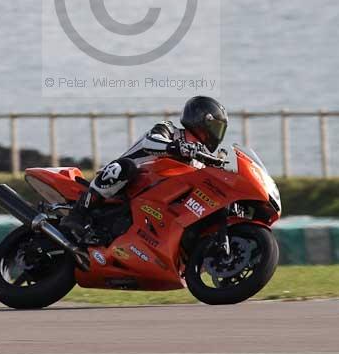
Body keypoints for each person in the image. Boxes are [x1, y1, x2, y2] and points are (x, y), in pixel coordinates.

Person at [61, 95, 228, 243]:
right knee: (125, 167)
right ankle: (78, 213)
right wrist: (176, 147)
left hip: (151, 201)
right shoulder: (169, 130)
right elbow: (151, 141)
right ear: (202, 120)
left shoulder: (198, 160)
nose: (217, 133)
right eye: (216, 127)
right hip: (124, 182)